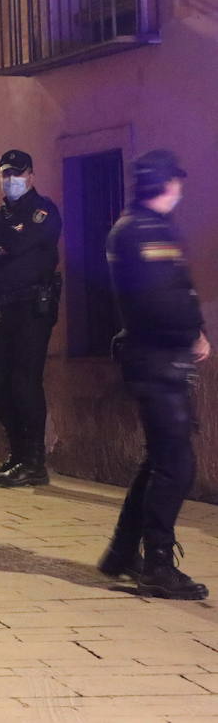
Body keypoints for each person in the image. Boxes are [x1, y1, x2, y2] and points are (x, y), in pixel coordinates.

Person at [99, 150, 210, 599]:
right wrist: (192, 333)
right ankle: (157, 564)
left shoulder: (145, 226)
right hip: (156, 358)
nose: (180, 189)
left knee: (159, 462)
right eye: (176, 182)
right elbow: (160, 299)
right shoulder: (142, 231)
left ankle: (123, 553)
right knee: (176, 466)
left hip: (160, 358)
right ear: (164, 184)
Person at [0, 149, 61, 488]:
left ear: (31, 176)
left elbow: (20, 241)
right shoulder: (0, 214)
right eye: (6, 174)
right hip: (6, 308)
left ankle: (34, 463)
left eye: (18, 174)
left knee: (24, 383)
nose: (11, 180)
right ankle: (19, 452)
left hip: (33, 308)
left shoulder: (42, 211)